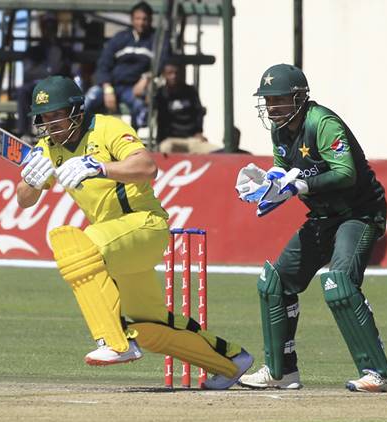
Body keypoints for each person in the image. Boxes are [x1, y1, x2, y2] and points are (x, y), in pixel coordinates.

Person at [17, 75, 252, 389]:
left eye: (56, 115)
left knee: (72, 243)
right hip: (114, 244)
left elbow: (147, 167)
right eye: (45, 118)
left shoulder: (107, 128)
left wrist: (98, 167)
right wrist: (30, 180)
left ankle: (115, 343)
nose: (51, 124)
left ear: (75, 110)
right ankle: (231, 360)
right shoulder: (48, 147)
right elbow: (24, 200)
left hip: (143, 224)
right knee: (149, 326)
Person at [234, 64, 387, 393]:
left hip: (359, 213)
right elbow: (285, 175)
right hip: (322, 217)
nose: (271, 107)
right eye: (267, 101)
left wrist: (299, 187)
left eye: (278, 100)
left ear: (299, 97)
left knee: (339, 283)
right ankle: (281, 372)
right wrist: (267, 188)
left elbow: (345, 173)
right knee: (274, 283)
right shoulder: (280, 130)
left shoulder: (322, 122)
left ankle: (378, 374)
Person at [84, 1, 168, 130]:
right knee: (89, 99)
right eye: (138, 19)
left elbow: (161, 62)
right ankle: (79, 133)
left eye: (145, 19)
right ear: (132, 19)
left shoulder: (156, 39)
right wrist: (107, 88)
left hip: (135, 88)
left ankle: (134, 141)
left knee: (142, 109)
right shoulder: (120, 38)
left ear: (150, 20)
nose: (141, 22)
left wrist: (146, 79)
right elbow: (104, 64)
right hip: (112, 85)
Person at [15, 13, 70, 141]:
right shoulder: (33, 50)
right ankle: (25, 133)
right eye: (46, 26)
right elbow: (28, 73)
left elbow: (59, 69)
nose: (49, 29)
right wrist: (47, 74)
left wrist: (54, 46)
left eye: (52, 26)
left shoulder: (63, 49)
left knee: (61, 94)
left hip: (57, 85)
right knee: (23, 91)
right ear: (42, 28)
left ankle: (60, 133)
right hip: (37, 85)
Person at [154, 58, 218, 154]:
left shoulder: (190, 91)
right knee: (166, 148)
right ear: (164, 75)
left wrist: (199, 132)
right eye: (170, 73)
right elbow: (148, 104)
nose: (174, 76)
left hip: (192, 139)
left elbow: (198, 113)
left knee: (216, 151)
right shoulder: (160, 94)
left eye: (176, 73)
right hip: (170, 140)